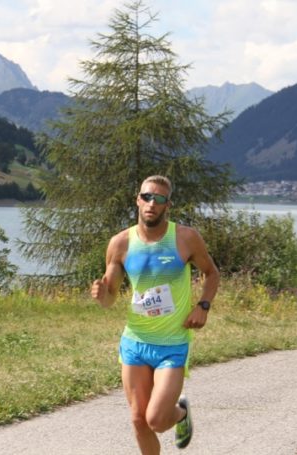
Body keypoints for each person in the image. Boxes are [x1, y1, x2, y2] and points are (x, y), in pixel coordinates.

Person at [91, 175, 220, 454]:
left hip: (172, 344)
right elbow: (110, 296)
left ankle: (181, 413)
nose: (152, 203)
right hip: (135, 342)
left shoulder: (185, 238)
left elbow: (211, 274)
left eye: (159, 199)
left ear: (167, 205)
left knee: (157, 420)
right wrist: (103, 295)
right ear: (138, 200)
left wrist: (203, 306)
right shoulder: (120, 243)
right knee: (139, 420)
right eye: (147, 197)